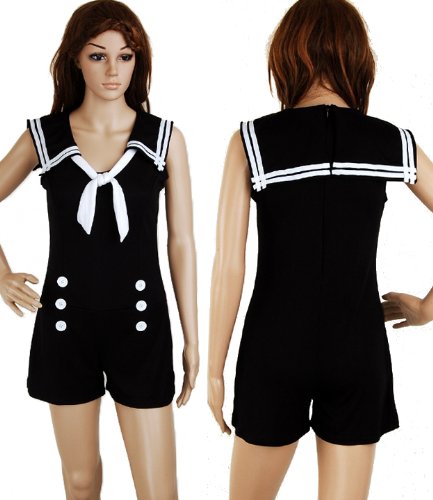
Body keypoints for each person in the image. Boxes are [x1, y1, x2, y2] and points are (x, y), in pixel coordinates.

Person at [208, 0, 433, 499]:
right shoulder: (391, 142)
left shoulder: (252, 141)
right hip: (358, 348)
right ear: (357, 58)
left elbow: (228, 265)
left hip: (273, 347)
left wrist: (216, 370)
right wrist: (426, 308)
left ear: (288, 56)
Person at [0, 1, 198, 499]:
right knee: (81, 480)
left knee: (159, 490)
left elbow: (181, 242)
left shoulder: (165, 140)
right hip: (66, 323)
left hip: (142, 324)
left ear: (138, 61)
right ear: (75, 59)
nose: (113, 70)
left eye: (125, 56)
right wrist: (0, 273)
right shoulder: (44, 137)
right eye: (98, 56)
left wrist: (192, 340)